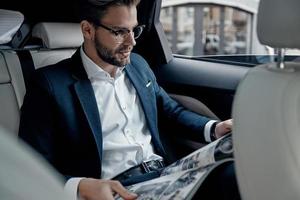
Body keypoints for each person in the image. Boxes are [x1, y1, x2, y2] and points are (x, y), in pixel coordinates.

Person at [19, 0, 240, 199]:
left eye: (134, 30)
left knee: (237, 173)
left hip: (168, 173)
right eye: (119, 32)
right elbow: (31, 166)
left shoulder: (138, 65)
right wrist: (81, 186)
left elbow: (170, 112)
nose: (131, 42)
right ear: (88, 30)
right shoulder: (49, 85)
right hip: (118, 189)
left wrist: (215, 128)